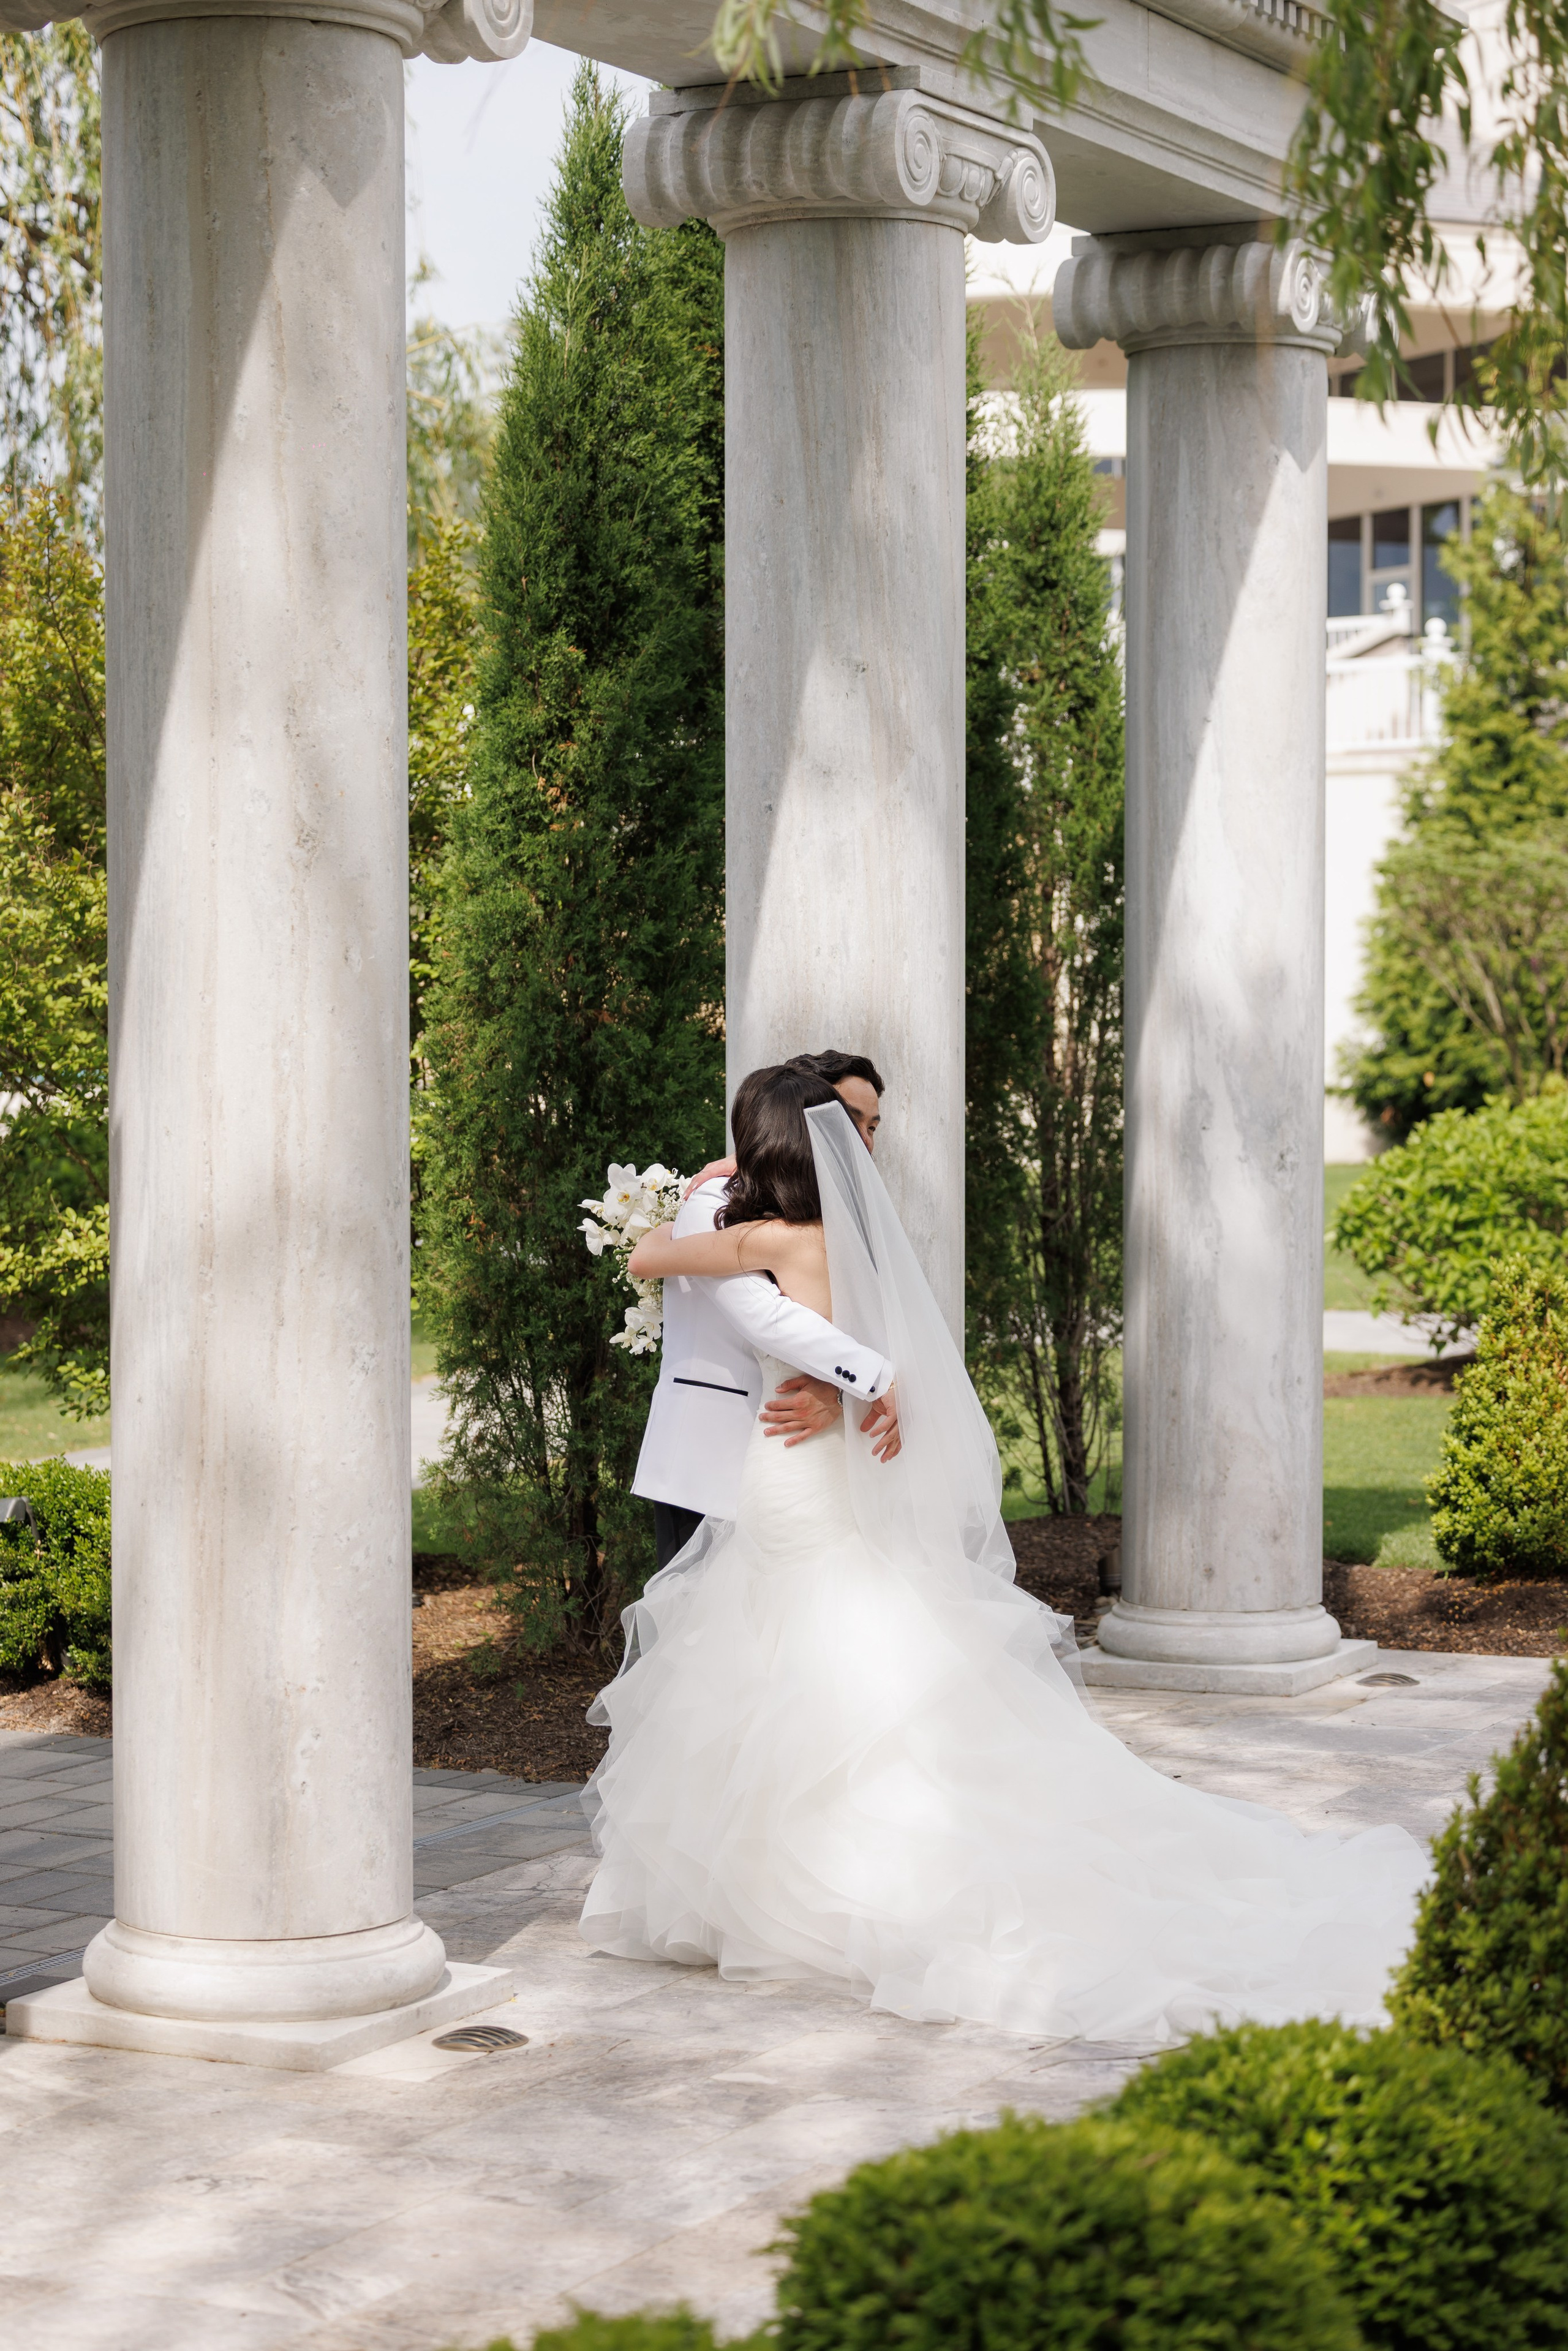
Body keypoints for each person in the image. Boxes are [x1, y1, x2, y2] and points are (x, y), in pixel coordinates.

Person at [579, 1069, 1430, 2045]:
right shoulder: (846, 1238)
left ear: (759, 1144)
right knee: (837, 1638)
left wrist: (728, 1204)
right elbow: (851, 1334)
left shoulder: (760, 1240)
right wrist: (866, 1377)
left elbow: (652, 1254)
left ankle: (803, 1877)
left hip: (789, 1475)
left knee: (790, 1647)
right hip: (827, 1465)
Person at [632, 1060, 899, 1570]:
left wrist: (839, 1391)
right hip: (710, 1449)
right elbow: (765, 1315)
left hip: (794, 1450)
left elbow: (865, 1317)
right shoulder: (715, 1200)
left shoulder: (831, 1213)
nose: (857, 1141)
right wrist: (874, 1377)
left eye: (870, 1127)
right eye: (844, 1120)